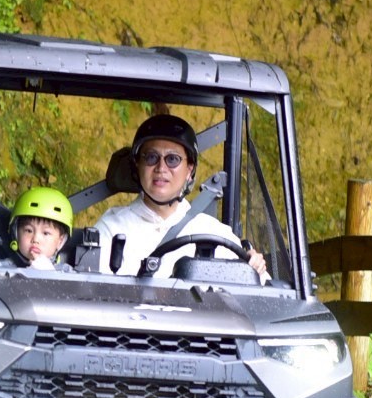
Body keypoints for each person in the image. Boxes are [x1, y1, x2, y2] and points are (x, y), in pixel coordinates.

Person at [94, 114, 267, 280]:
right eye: (152, 157)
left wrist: (253, 267)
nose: (161, 168)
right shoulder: (111, 228)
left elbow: (258, 289)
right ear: (137, 165)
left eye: (173, 159)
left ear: (189, 169)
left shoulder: (213, 233)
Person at [8, 186, 72, 270]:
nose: (35, 239)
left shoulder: (66, 272)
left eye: (46, 233)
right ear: (16, 233)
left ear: (60, 241)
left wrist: (49, 273)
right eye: (29, 231)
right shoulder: (3, 268)